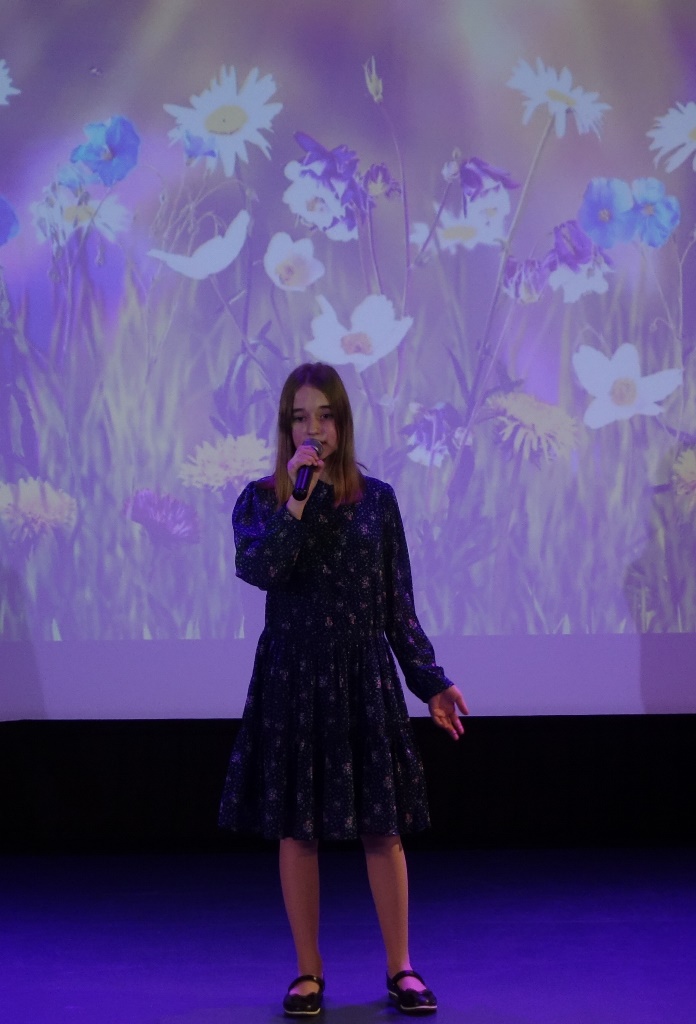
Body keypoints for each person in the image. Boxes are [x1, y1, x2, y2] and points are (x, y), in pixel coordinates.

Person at [219, 362, 468, 1017]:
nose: (314, 429)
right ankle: (308, 971)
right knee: (297, 831)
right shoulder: (262, 500)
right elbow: (259, 567)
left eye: (325, 416)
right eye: (300, 418)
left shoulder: (377, 501)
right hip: (294, 680)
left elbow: (398, 607)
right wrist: (297, 501)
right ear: (286, 427)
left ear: (343, 423)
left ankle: (401, 967)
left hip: (362, 676)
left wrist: (431, 682)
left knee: (383, 828)